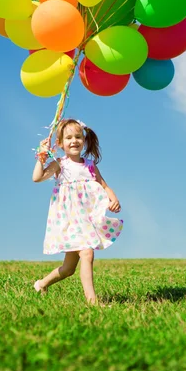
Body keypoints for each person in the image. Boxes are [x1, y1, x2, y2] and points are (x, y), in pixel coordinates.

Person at [32, 118, 123, 304]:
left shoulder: (90, 165)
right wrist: (41, 159)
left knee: (68, 269)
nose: (74, 141)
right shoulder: (60, 164)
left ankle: (41, 284)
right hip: (69, 221)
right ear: (60, 143)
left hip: (85, 220)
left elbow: (104, 185)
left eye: (78, 137)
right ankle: (92, 301)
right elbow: (37, 178)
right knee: (87, 252)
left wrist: (113, 198)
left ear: (84, 139)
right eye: (68, 138)